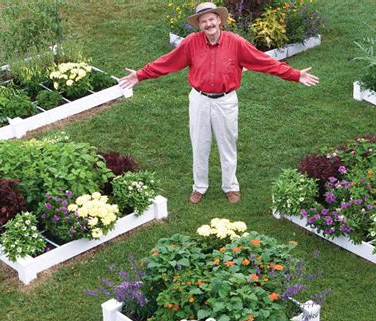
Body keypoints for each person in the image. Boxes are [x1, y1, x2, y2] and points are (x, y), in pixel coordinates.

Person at [119, 2, 319, 204]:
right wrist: (140, 75)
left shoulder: (236, 43)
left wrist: (295, 75)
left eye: (211, 19)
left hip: (226, 100)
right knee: (199, 144)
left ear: (220, 20)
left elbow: (264, 62)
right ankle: (199, 187)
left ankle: (231, 186)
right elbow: (167, 62)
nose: (208, 24)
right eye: (203, 21)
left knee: (227, 144)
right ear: (199, 25)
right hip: (199, 99)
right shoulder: (191, 43)